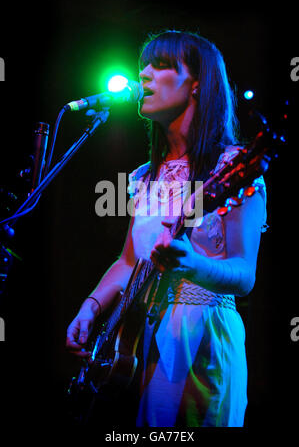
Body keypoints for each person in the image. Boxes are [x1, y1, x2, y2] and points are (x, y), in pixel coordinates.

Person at [66, 30, 267, 427]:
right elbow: (128, 262)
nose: (144, 75)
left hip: (201, 343)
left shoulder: (232, 167)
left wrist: (192, 265)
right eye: (144, 65)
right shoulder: (145, 177)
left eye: (160, 65)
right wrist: (90, 307)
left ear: (196, 84)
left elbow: (245, 276)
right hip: (142, 339)